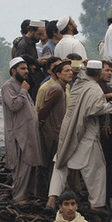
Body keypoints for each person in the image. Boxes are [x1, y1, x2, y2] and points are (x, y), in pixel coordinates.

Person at [47, 60, 112, 210]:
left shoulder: (78, 84)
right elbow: (93, 109)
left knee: (61, 163)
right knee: (96, 171)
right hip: (86, 134)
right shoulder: (94, 88)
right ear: (99, 73)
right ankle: (97, 205)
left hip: (68, 132)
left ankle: (52, 197)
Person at [0, 56, 44, 204]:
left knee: (29, 165)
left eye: (26, 68)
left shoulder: (22, 85)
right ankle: (19, 197)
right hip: (18, 134)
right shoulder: (8, 86)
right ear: (13, 70)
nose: (26, 71)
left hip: (28, 134)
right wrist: (23, 91)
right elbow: (14, 105)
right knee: (21, 168)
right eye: (22, 69)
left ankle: (26, 196)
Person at [36, 59, 73, 197]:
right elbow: (42, 110)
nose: (70, 73)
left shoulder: (63, 87)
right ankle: (45, 194)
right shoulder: (55, 89)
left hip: (58, 132)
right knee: (48, 164)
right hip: (52, 133)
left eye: (70, 70)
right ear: (58, 74)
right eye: (66, 71)